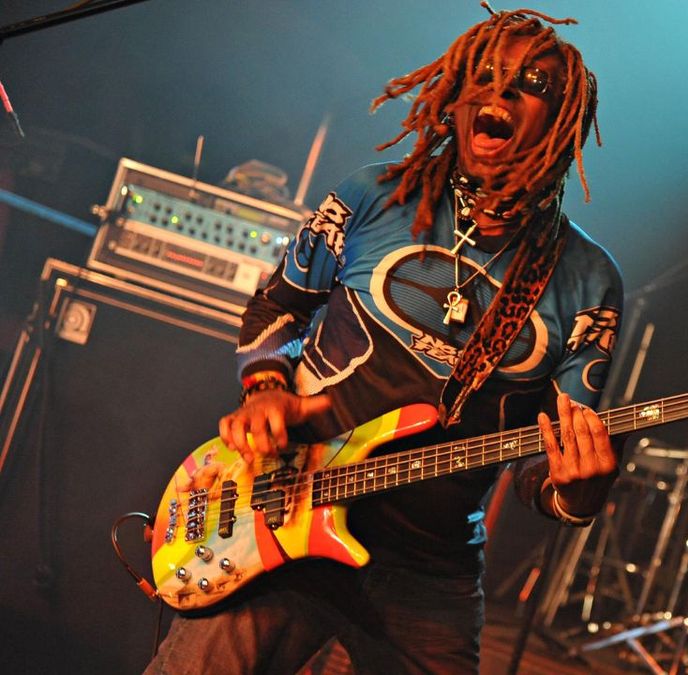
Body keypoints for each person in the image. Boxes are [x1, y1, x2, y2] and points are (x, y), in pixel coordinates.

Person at [146, 8, 623, 674]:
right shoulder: (373, 197)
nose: (500, 92)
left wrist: (580, 489)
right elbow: (276, 306)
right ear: (454, 96)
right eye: (483, 75)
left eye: (530, 84)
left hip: (428, 572)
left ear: (562, 117)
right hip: (283, 518)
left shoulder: (587, 280)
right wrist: (265, 388)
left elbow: (544, 472)